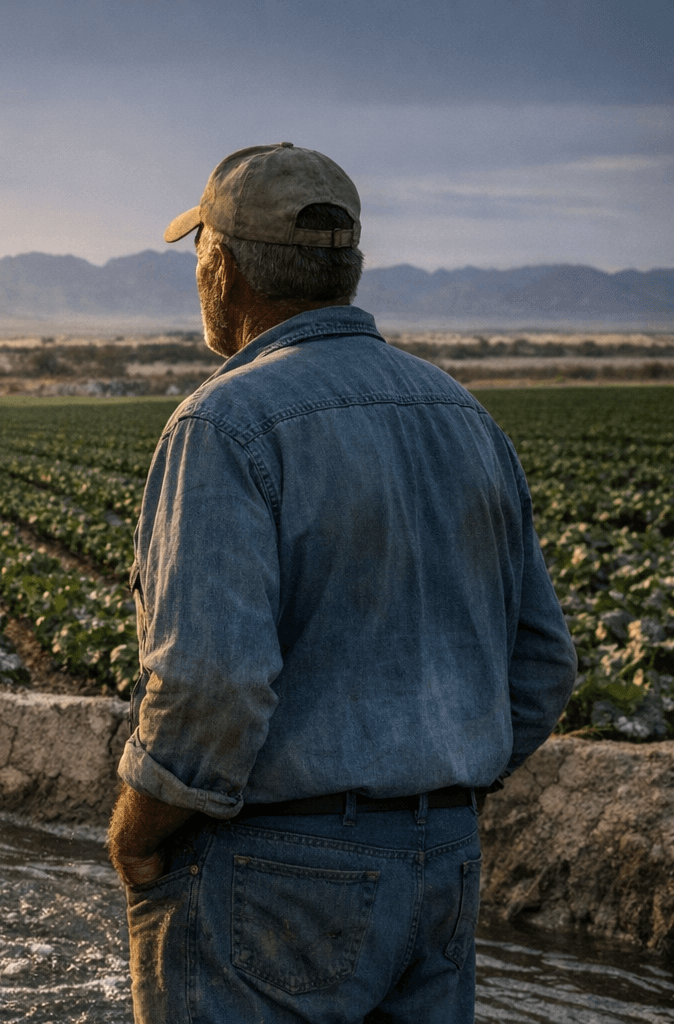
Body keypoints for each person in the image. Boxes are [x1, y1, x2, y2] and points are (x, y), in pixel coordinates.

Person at [107, 143, 577, 1023]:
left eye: (199, 254)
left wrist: (136, 839)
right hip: (444, 866)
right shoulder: (466, 416)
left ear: (223, 268)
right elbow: (543, 666)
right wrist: (428, 788)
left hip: (273, 875)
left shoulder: (224, 422)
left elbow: (210, 688)